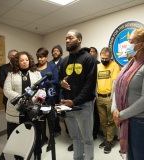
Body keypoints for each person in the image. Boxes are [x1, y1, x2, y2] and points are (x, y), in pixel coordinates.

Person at [111, 28, 144, 160]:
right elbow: (117, 88)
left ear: (141, 45)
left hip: (141, 122)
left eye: (130, 41)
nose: (127, 44)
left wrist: (121, 115)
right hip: (127, 119)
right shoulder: (128, 65)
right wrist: (114, 109)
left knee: (140, 156)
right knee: (130, 156)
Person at [59, 29, 97, 160]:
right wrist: (61, 83)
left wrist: (75, 101)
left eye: (70, 38)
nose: (67, 41)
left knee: (87, 139)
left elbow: (90, 85)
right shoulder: (64, 61)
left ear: (79, 40)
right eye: (66, 38)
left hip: (84, 105)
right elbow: (60, 79)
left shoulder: (88, 59)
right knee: (75, 137)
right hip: (68, 106)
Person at [3, 51, 42, 160]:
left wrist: (33, 100)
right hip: (17, 111)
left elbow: (41, 89)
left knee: (35, 135)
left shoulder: (36, 73)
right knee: (18, 137)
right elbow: (6, 90)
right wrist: (21, 99)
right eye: (21, 60)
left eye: (26, 60)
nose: (25, 62)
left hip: (32, 110)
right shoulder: (11, 74)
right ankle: (19, 157)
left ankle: (37, 155)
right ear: (17, 62)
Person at [97, 47, 120, 154]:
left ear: (110, 57)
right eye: (102, 58)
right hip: (99, 97)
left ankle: (109, 142)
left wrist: (113, 98)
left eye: (106, 58)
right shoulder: (98, 66)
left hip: (110, 98)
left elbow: (115, 82)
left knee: (110, 121)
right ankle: (106, 139)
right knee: (102, 121)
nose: (104, 60)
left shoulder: (115, 66)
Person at [35, 47, 59, 148]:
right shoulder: (34, 67)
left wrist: (44, 85)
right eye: (38, 57)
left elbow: (56, 80)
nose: (40, 59)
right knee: (41, 118)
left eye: (42, 57)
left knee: (50, 119)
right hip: (38, 97)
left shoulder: (52, 66)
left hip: (49, 97)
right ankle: (43, 138)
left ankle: (52, 140)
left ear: (46, 57)